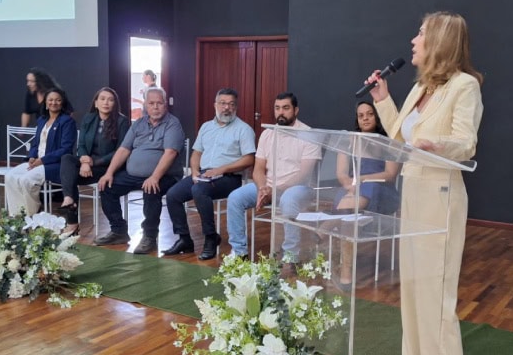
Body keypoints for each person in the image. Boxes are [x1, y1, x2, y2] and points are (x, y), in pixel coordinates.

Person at [365, 11, 484, 355]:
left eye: (420, 34)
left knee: (436, 297)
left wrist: (437, 144)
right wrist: (382, 99)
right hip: (413, 193)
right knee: (414, 294)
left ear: (440, 41)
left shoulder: (465, 86)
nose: (413, 41)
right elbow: (400, 139)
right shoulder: (421, 87)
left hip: (440, 196)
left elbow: (466, 143)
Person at [225, 92, 322, 262]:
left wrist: (274, 190)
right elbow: (258, 169)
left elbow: (303, 174)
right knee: (235, 198)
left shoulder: (309, 134)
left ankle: (290, 255)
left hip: (299, 188)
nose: (281, 113)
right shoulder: (268, 134)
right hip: (268, 186)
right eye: (277, 108)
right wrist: (264, 188)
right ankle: (239, 252)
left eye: (286, 108)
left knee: (288, 200)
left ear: (296, 110)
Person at [163, 88, 256, 260]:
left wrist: (221, 169)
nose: (226, 108)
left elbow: (249, 159)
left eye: (231, 104)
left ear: (236, 107)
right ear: (215, 105)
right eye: (222, 103)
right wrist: (195, 171)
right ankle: (184, 239)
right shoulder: (206, 127)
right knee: (172, 195)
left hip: (229, 177)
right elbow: (196, 153)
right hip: (203, 174)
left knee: (199, 191)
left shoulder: (244, 129)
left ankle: (211, 237)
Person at [96, 87, 184, 255]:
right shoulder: (139, 123)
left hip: (166, 175)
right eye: (151, 103)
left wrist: (154, 177)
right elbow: (123, 150)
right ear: (145, 105)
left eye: (159, 103)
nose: (156, 107)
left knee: (151, 188)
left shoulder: (173, 124)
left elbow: (170, 152)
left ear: (165, 105)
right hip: (133, 175)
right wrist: (109, 173)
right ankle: (118, 231)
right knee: (106, 186)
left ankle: (149, 237)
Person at [328, 101, 400, 288]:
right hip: (353, 190)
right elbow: (342, 174)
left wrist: (362, 180)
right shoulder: (350, 141)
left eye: (370, 114)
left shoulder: (390, 141)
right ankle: (346, 270)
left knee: (366, 190)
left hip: (382, 190)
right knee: (348, 212)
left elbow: (390, 175)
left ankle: (327, 225)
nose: (365, 118)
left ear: (377, 116)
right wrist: (351, 185)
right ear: (357, 119)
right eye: (361, 115)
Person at [56, 87, 130, 236]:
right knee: (67, 159)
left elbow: (121, 151)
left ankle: (71, 224)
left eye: (110, 100)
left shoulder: (122, 122)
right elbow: (81, 144)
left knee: (69, 178)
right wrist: (84, 161)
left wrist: (93, 163)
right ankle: (69, 200)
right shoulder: (89, 119)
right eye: (102, 99)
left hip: (108, 167)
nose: (106, 103)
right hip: (88, 164)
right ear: (96, 103)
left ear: (115, 103)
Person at [5, 88, 76, 216]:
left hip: (55, 165)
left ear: (62, 103)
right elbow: (36, 144)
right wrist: (32, 157)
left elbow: (65, 149)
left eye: (58, 100)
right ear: (46, 103)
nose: (54, 103)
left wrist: (42, 160)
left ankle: (32, 214)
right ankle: (16, 216)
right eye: (50, 100)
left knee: (26, 180)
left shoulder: (67, 121)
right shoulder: (41, 120)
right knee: (10, 177)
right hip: (37, 162)